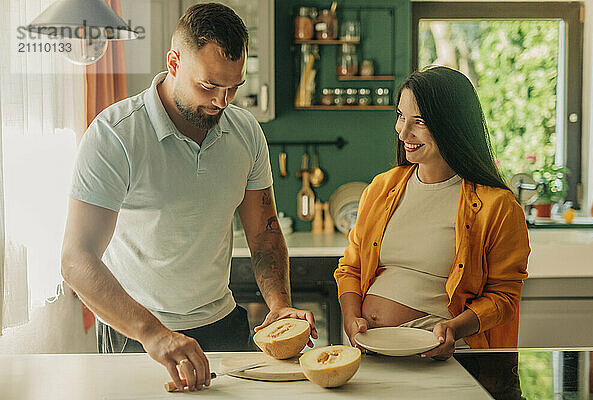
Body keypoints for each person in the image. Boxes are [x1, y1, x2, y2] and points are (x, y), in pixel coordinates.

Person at [61, 3, 316, 392]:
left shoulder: (245, 133)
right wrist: (153, 333)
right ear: (174, 62)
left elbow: (264, 231)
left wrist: (279, 304)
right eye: (209, 85)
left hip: (223, 323)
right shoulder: (115, 136)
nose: (222, 101)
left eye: (234, 87)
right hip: (137, 335)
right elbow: (76, 260)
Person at [334, 66, 530, 360]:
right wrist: (351, 322)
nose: (403, 132)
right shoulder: (381, 188)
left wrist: (453, 329)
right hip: (370, 351)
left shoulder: (498, 206)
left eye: (419, 121)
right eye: (401, 116)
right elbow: (350, 269)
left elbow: (504, 298)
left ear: (452, 125)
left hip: (440, 355)